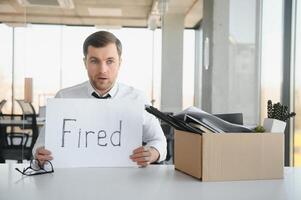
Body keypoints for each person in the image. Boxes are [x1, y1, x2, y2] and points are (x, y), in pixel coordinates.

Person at [33, 31, 167, 167]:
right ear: (85, 63)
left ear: (119, 63)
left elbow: (159, 141)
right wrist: (39, 152)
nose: (102, 70)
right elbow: (41, 144)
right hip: (74, 181)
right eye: (94, 61)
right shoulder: (63, 97)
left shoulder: (137, 98)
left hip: (125, 180)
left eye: (110, 61)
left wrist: (152, 153)